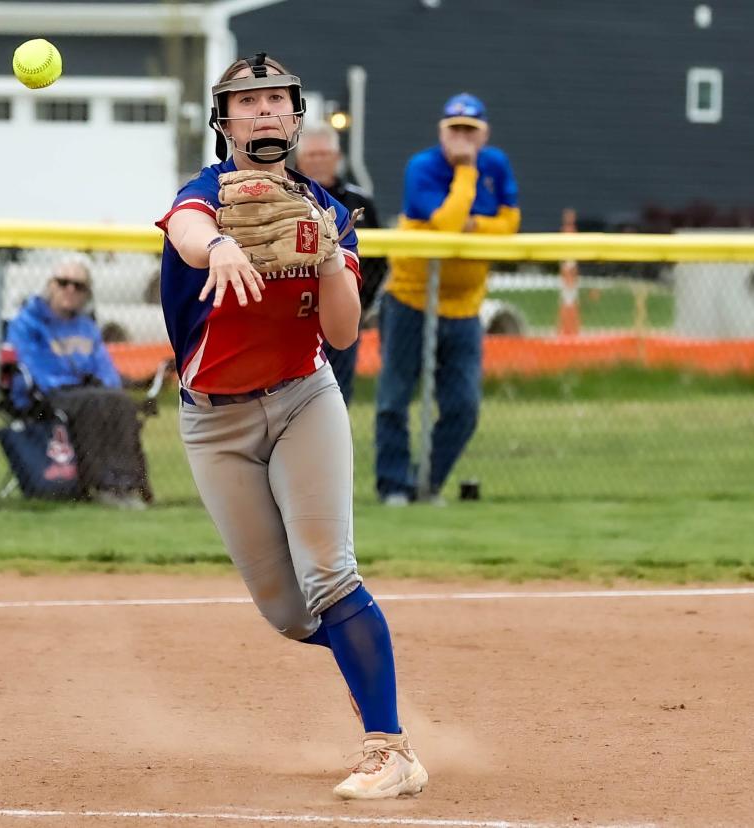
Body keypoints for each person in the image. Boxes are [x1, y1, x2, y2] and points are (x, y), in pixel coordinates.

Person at [155, 52, 427, 800]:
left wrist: (330, 257)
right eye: (249, 102)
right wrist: (219, 244)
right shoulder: (204, 195)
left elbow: (340, 334)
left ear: (297, 116)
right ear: (224, 121)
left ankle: (389, 747)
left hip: (303, 399)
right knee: (286, 610)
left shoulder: (328, 211)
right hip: (214, 424)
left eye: (278, 99)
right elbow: (184, 228)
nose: (266, 111)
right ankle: (369, 673)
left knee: (330, 572)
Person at [376, 93, 520, 506]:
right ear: (442, 132)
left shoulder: (497, 164)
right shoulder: (422, 167)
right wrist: (466, 173)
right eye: (455, 130)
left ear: (484, 133)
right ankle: (394, 486)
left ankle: (427, 483)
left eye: (470, 132)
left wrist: (475, 221)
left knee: (463, 406)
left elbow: (511, 223)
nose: (462, 138)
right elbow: (446, 225)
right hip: (411, 299)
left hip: (464, 306)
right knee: (394, 399)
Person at [6, 255, 151, 508]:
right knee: (94, 402)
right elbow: (34, 368)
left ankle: (129, 484)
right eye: (64, 282)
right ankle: (104, 484)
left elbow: (105, 368)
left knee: (120, 401)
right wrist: (75, 382)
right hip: (43, 395)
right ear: (50, 285)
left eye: (79, 285)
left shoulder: (86, 327)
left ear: (87, 292)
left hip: (84, 392)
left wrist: (106, 386)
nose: (70, 289)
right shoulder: (26, 323)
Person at [294, 122, 385, 405]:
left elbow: (378, 260)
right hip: (297, 316)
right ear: (299, 160)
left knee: (337, 392)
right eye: (312, 155)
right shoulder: (285, 198)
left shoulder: (359, 202)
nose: (318, 161)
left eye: (324, 154)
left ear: (337, 157)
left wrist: (359, 301)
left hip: (341, 310)